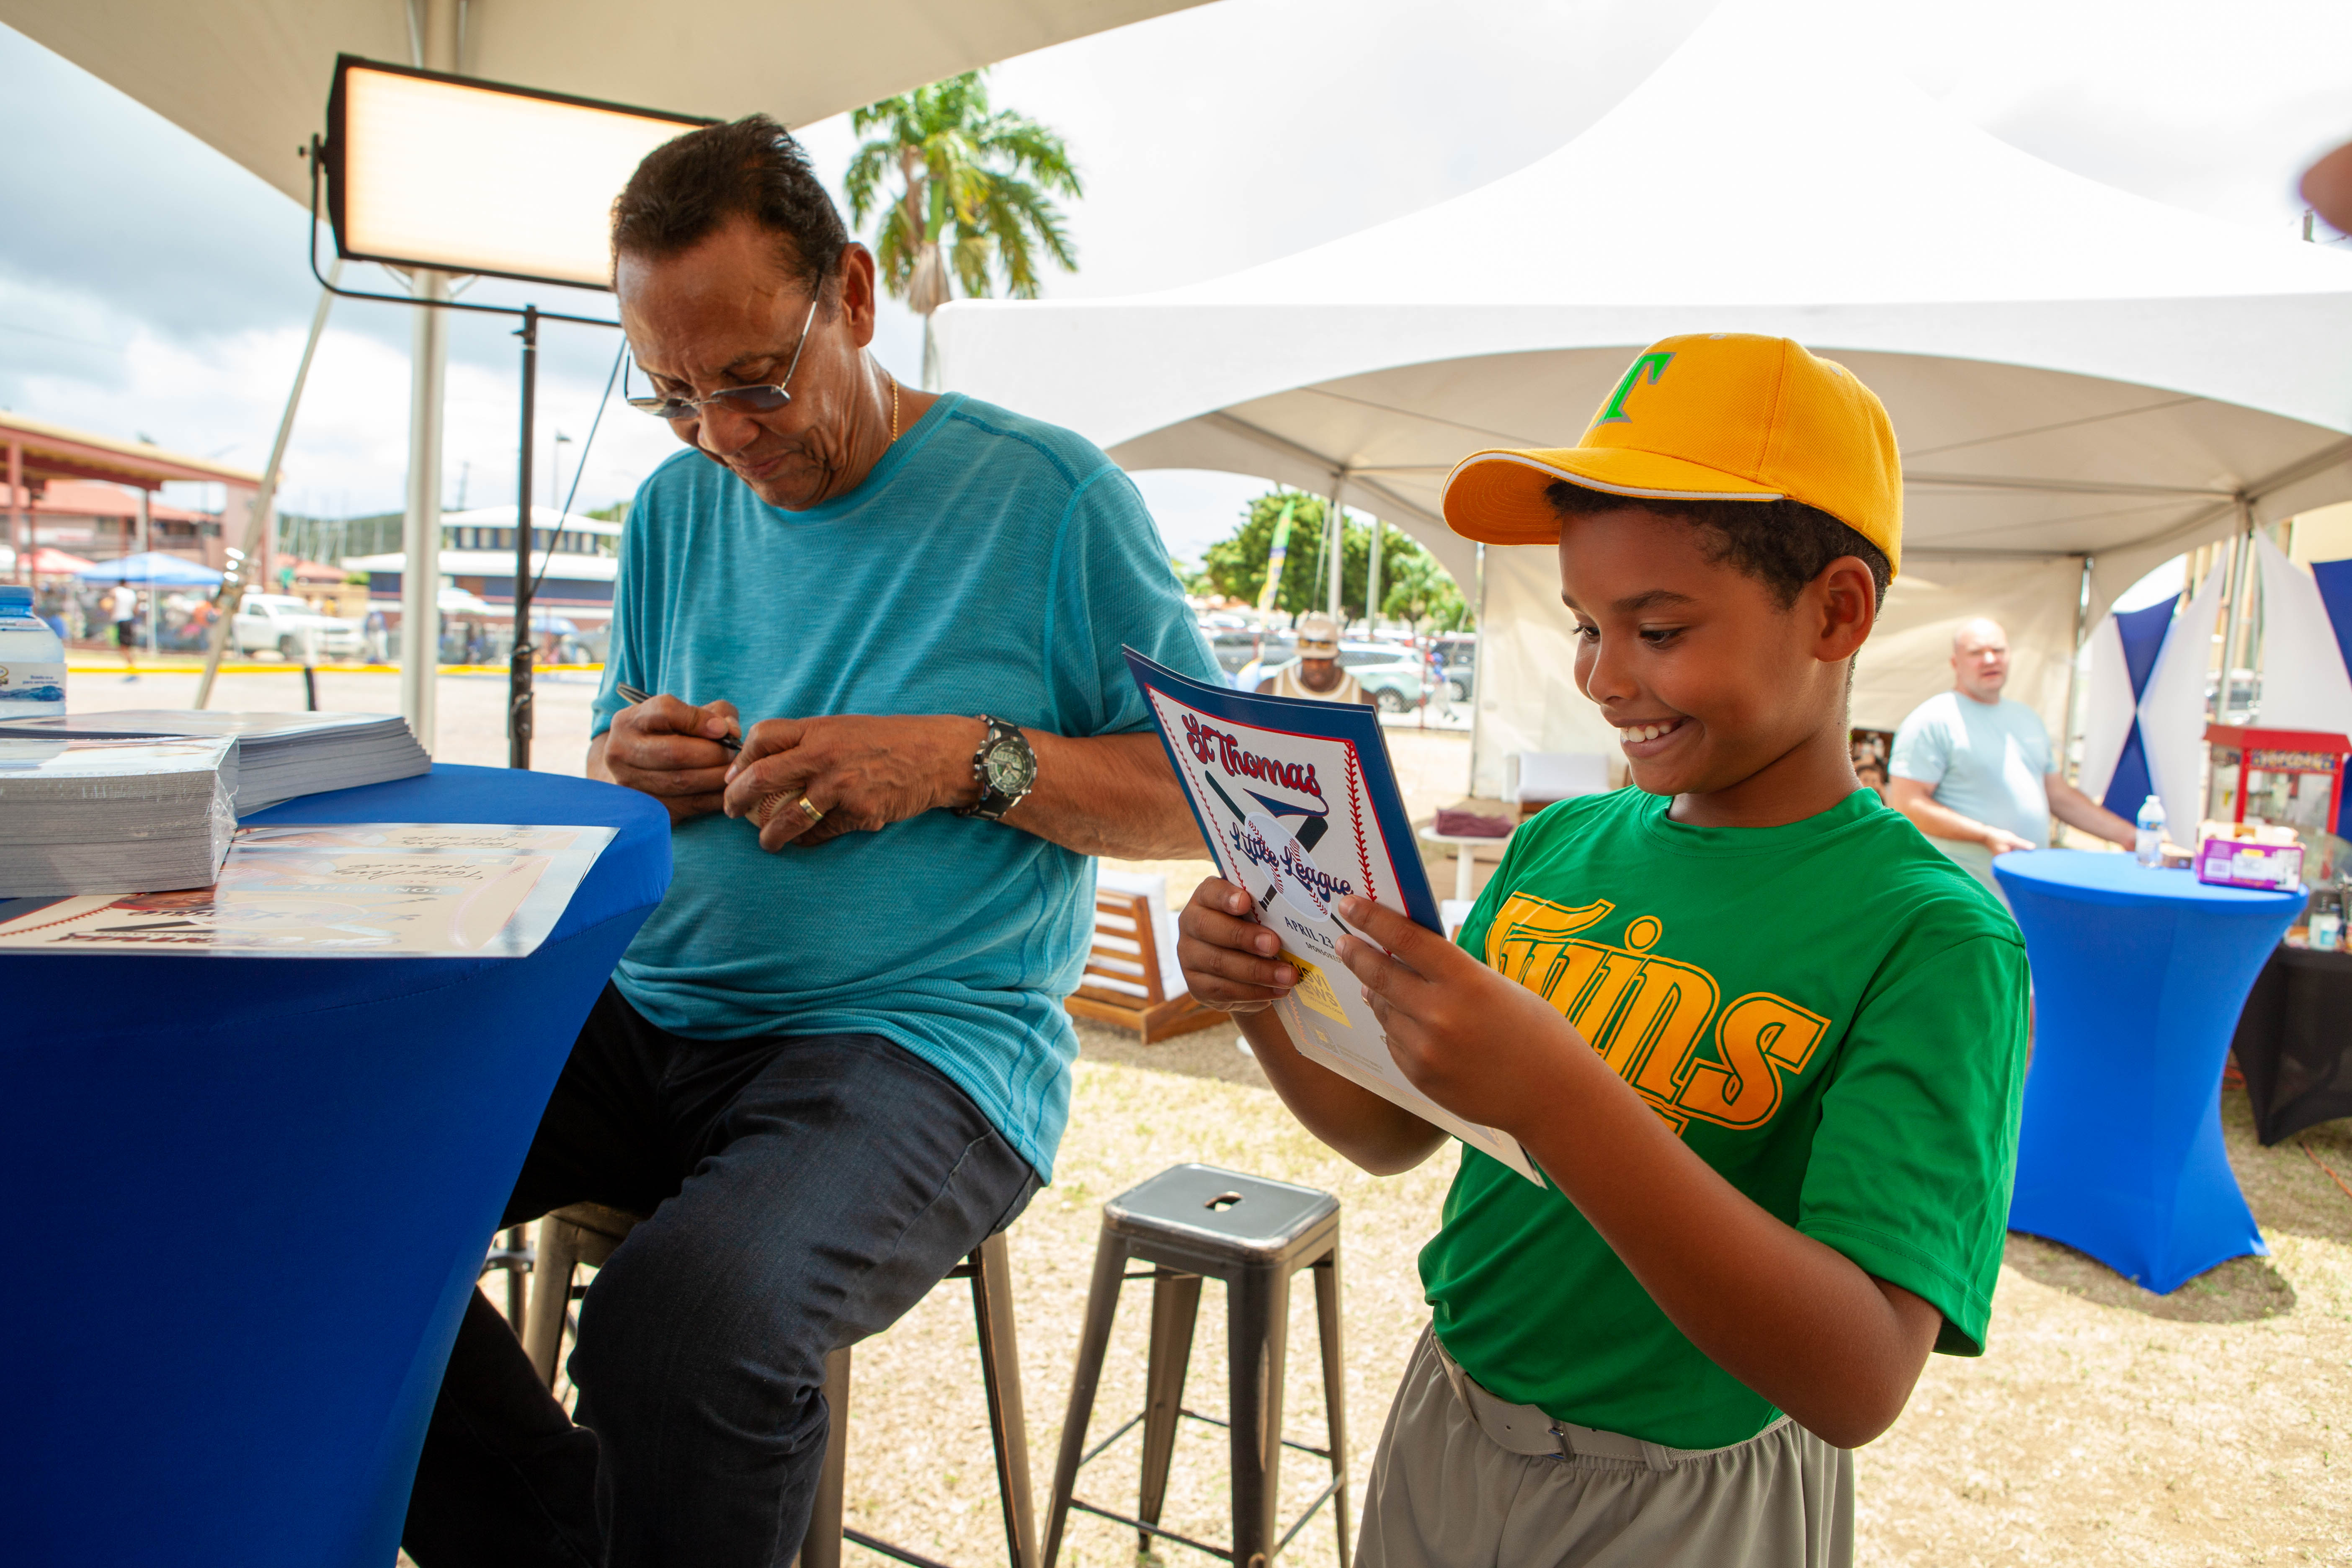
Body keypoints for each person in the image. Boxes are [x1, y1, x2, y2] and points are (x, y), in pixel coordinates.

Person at [399, 116, 1221, 1568]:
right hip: (652, 1008)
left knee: (683, 1325)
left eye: (753, 380)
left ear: (848, 296)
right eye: (674, 396)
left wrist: (964, 756)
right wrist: (625, 761)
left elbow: (1203, 793)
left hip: (918, 1047)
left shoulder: (1049, 502)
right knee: (333, 1188)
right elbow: (615, 738)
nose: (724, 434)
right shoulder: (673, 507)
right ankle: (560, 1543)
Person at [1178, 335, 2027, 1568]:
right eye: (1584, 625)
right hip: (1450, 1418)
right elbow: (1395, 1132)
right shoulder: (1559, 847)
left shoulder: (1932, 934)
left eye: (1661, 628)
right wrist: (1261, 992)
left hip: (1687, 1496)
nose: (1605, 677)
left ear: (1837, 610)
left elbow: (1857, 1379)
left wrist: (1559, 1091)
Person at [1886, 618, 2137, 897]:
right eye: (1976, 653)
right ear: (1955, 663)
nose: (1990, 659)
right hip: (1963, 898)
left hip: (2023, 896)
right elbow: (1908, 805)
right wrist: (1985, 835)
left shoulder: (2027, 718)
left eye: (1999, 650)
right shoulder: (1932, 720)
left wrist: (2129, 836)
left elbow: (2058, 796)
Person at [1256, 611, 1371, 704]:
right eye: (1308, 659)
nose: (1315, 666)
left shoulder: (1362, 698)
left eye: (1323, 660)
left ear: (1336, 655)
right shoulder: (1270, 690)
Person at [108, 581, 137, 679]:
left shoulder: (117, 591)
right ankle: (131, 663)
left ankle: (131, 664)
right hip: (129, 619)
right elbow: (135, 609)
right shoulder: (131, 593)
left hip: (121, 619)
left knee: (123, 645)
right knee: (128, 645)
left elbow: (109, 603)